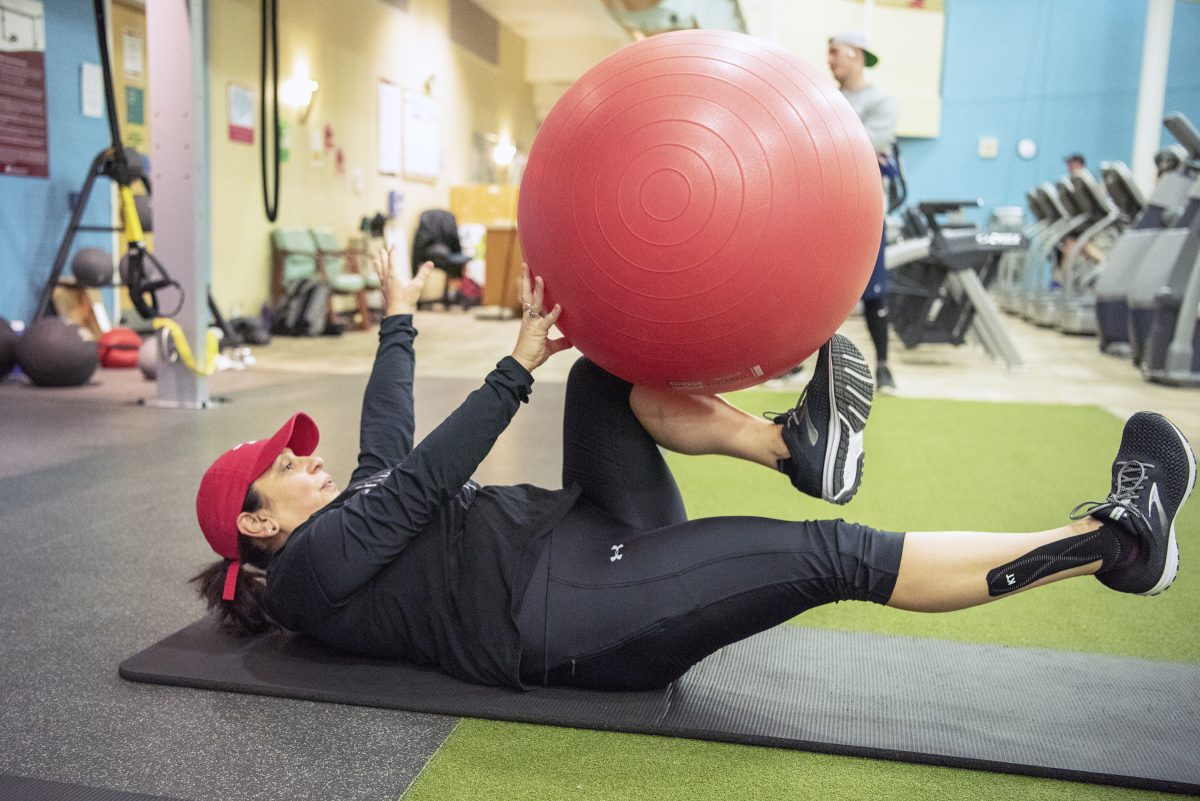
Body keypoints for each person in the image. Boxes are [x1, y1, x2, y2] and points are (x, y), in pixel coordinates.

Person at [191, 248, 1195, 692]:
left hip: (578, 531)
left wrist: (400, 314)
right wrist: (512, 368)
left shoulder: (342, 514)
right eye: (284, 467)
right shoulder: (309, 577)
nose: (307, 460)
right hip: (572, 613)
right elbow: (418, 479)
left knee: (602, 376)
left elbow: (386, 434)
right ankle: (1114, 546)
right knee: (836, 556)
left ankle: (794, 448)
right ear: (259, 524)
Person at [828, 30, 899, 394]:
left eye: (835, 52)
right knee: (818, 294)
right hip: (827, 212)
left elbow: (869, 144)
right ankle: (797, 363)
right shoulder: (826, 99)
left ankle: (884, 366)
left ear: (855, 54)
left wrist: (830, 141)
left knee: (873, 292)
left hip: (866, 213)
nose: (830, 60)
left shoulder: (882, 101)